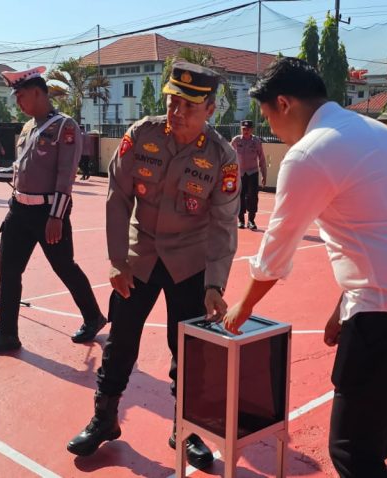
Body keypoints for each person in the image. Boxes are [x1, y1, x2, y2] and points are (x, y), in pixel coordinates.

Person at [220, 57, 387, 478]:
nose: (271, 128)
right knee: (365, 411)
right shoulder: (377, 132)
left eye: (268, 116)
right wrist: (343, 308)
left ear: (284, 104)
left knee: (351, 451)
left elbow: (275, 254)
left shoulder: (309, 154)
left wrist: (242, 306)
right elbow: (378, 235)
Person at [66, 62, 238, 470]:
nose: (177, 112)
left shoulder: (222, 157)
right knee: (121, 339)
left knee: (189, 350)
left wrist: (214, 284)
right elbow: (118, 197)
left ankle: (187, 429)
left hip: (190, 262)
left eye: (189, 106)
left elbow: (223, 223)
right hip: (139, 255)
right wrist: (116, 260)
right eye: (173, 102)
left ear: (210, 109)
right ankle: (105, 418)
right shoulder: (141, 134)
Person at [0, 65, 107, 357]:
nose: (17, 102)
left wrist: (56, 216)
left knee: (64, 266)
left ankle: (93, 316)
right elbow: (20, 171)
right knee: (9, 271)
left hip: (47, 213)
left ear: (37, 92)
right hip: (18, 211)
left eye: (20, 96)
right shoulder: (28, 127)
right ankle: (7, 334)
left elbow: (65, 175)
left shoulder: (64, 127)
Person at [230, 119, 267, 230]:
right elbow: (228, 155)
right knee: (239, 196)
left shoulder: (256, 142)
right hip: (240, 173)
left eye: (248, 129)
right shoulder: (236, 140)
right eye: (244, 129)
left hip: (252, 173)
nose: (246, 131)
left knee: (253, 196)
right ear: (241, 129)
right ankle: (241, 220)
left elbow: (262, 159)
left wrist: (264, 175)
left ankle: (251, 220)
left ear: (252, 130)